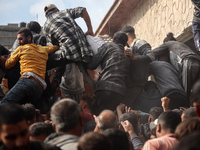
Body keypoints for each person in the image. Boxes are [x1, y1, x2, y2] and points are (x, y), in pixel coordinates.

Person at [0, 28, 59, 107]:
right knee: (25, 110)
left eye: (21, 39)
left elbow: (7, 65)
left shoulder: (20, 49)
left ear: (29, 38)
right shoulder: (44, 49)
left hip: (27, 80)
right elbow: (56, 47)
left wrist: (8, 57)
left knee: (4, 103)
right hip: (40, 88)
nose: (18, 42)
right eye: (18, 40)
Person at [87, 31, 130, 115]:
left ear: (113, 40)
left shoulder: (108, 46)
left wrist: (83, 63)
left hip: (106, 87)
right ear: (125, 44)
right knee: (108, 118)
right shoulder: (127, 57)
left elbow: (92, 65)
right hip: (120, 93)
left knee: (98, 116)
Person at [153, 33, 200, 98]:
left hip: (188, 62)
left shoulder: (167, 44)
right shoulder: (182, 45)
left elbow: (153, 53)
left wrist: (144, 57)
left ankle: (188, 106)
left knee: (186, 93)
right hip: (197, 61)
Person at [122, 26, 155, 108]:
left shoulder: (139, 42)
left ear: (126, 36)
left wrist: (134, 58)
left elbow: (151, 56)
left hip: (138, 85)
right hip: (132, 85)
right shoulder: (130, 47)